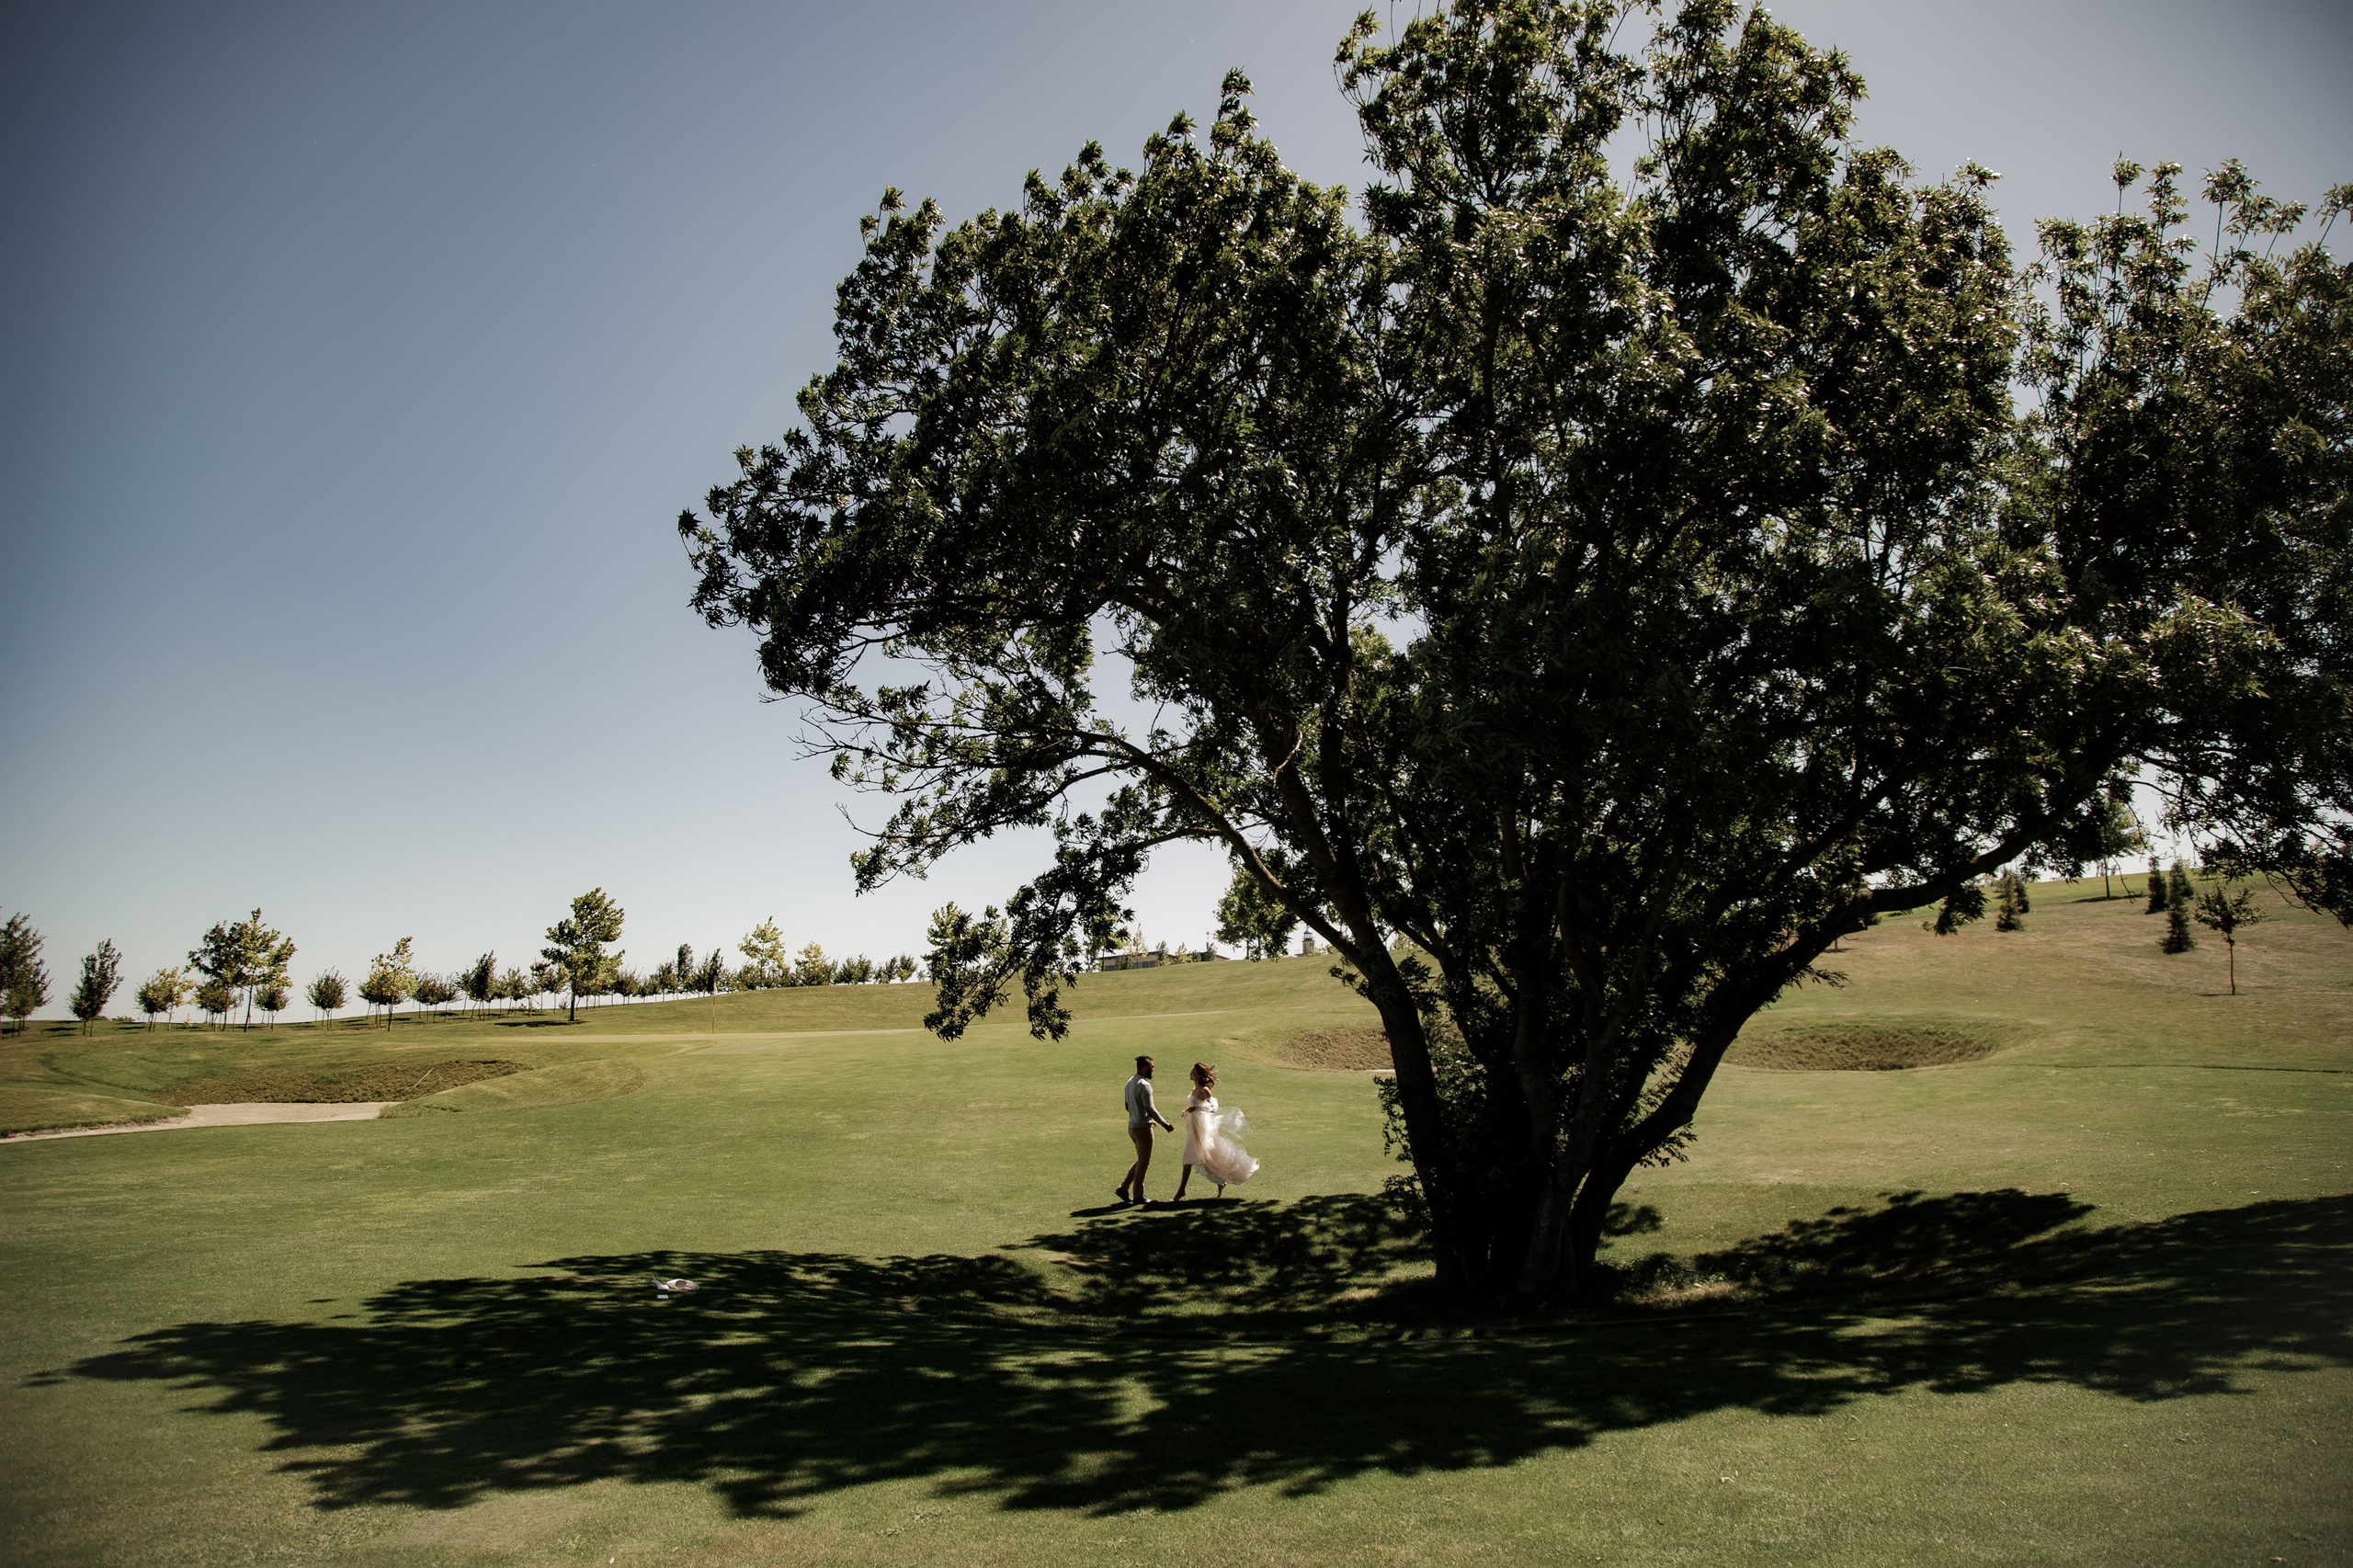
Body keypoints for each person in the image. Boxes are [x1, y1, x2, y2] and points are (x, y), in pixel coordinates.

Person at [1172, 1061, 1258, 1200]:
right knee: (1206, 1157)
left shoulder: (1204, 1090)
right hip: (1193, 1127)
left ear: (1199, 1075)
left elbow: (1214, 1106)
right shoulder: (1194, 1090)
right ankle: (1220, 1181)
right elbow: (1193, 1105)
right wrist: (1186, 1111)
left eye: (1193, 1072)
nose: (1190, 1074)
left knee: (1188, 1158)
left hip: (1201, 1127)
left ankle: (1181, 1191)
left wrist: (1198, 1109)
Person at [1117, 1054, 1176, 1204]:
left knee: (1140, 1159)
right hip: (1143, 1129)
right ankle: (1138, 1195)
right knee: (1144, 1162)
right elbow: (1150, 1109)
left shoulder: (1129, 1082)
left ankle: (1123, 1188)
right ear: (1144, 1068)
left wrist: (1143, 1118)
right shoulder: (1144, 1085)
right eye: (1151, 1068)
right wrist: (1164, 1123)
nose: (1152, 1070)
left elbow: (1127, 1107)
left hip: (1132, 1127)